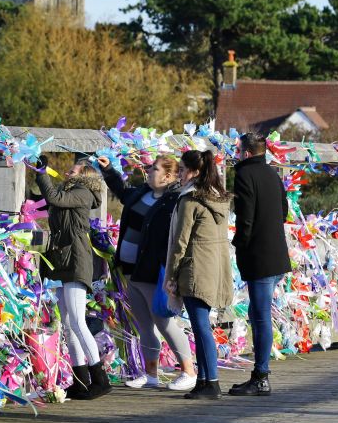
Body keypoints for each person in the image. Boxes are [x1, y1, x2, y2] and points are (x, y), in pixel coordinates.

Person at [96, 155, 196, 392]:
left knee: (164, 322)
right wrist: (109, 170)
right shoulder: (142, 192)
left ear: (169, 176)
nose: (149, 171)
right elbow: (122, 192)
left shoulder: (174, 200)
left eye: (154, 169)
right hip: (130, 269)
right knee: (144, 324)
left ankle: (189, 371)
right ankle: (151, 373)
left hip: (152, 270)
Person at [34, 155, 111, 400]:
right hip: (63, 260)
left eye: (73, 171)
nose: (67, 173)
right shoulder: (71, 192)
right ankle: (80, 380)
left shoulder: (83, 194)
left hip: (77, 260)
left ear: (85, 177)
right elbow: (50, 200)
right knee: (67, 324)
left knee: (78, 320)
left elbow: (55, 198)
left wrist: (42, 173)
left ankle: (100, 378)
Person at [165, 150, 233, 400]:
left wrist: (171, 275)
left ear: (194, 172)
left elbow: (180, 242)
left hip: (195, 268)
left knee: (201, 327)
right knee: (202, 325)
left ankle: (211, 381)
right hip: (214, 268)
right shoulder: (220, 199)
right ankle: (204, 380)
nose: (179, 174)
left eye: (182, 169)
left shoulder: (190, 200)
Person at [228, 133, 291, 397]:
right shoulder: (272, 174)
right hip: (276, 255)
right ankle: (260, 373)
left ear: (246, 152)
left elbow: (246, 216)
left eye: (238, 149)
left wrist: (238, 243)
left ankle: (261, 377)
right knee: (258, 314)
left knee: (261, 317)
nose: (236, 154)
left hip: (259, 257)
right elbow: (284, 210)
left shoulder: (244, 175)